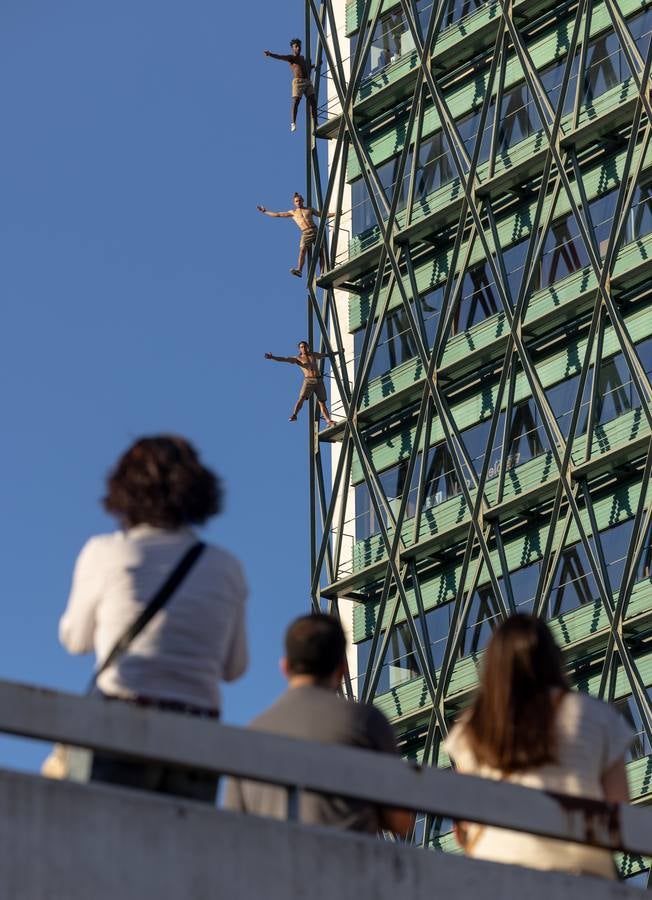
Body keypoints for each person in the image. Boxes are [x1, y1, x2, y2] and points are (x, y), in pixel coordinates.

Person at [59, 435, 248, 804]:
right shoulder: (226, 567)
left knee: (106, 849)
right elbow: (234, 668)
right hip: (197, 731)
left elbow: (75, 640)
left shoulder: (106, 552)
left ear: (122, 490)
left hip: (120, 721)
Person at [445, 614, 633, 879]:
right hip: (582, 875)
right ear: (554, 661)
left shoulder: (471, 729)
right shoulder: (596, 715)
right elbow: (619, 809)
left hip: (498, 874)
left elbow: (465, 818)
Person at [224, 613, 414, 837]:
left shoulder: (251, 736)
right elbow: (401, 822)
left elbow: (233, 829)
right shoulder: (366, 722)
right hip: (349, 867)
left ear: (285, 667)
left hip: (271, 868)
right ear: (342, 670)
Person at [257, 192, 333, 277]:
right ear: (294, 203)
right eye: (296, 201)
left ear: (302, 200)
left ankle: (322, 272)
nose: (298, 202)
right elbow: (277, 214)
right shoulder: (293, 212)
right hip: (305, 232)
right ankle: (299, 270)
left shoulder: (309, 209)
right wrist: (265, 211)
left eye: (299, 200)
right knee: (302, 250)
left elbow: (321, 215)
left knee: (321, 253)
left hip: (315, 230)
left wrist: (335, 214)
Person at [265, 341, 335, 426]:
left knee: (322, 402)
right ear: (299, 349)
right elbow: (285, 359)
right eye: (302, 347)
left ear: (308, 347)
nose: (304, 348)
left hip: (319, 380)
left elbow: (324, 355)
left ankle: (328, 421)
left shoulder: (313, 354)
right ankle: (294, 415)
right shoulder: (298, 358)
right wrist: (273, 357)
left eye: (305, 346)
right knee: (301, 398)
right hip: (308, 381)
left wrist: (337, 352)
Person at [264, 39, 317, 132]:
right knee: (296, 101)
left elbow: (307, 68)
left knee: (313, 100)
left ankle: (315, 122)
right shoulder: (291, 58)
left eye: (299, 46)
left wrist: (315, 65)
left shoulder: (303, 58)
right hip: (298, 82)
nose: (298, 48)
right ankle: (293, 123)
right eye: (296, 46)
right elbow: (280, 57)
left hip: (307, 81)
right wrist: (270, 54)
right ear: (292, 48)